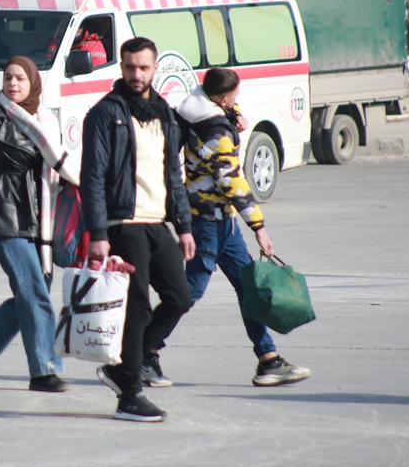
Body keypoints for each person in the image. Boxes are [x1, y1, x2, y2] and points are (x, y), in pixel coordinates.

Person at [172, 68, 312, 387]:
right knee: (187, 292)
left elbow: (221, 108)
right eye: (235, 97)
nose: (238, 100)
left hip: (221, 221)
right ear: (222, 98)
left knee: (249, 288)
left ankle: (269, 359)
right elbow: (231, 181)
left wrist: (234, 114)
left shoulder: (198, 110)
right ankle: (142, 352)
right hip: (209, 221)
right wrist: (259, 227)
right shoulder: (216, 131)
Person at [0, 57, 80, 392]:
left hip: (43, 219)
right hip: (4, 212)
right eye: (8, 78)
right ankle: (44, 370)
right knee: (34, 290)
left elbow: (59, 165)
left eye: (20, 78)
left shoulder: (45, 120)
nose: (13, 84)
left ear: (33, 82)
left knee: (32, 292)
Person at [82, 37, 195, 423]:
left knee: (180, 297)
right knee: (137, 306)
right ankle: (129, 392)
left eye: (143, 67)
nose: (136, 74)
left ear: (155, 67)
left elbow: (173, 175)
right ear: (121, 66)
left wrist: (184, 226)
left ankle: (122, 365)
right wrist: (98, 233)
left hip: (157, 222)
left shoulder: (164, 113)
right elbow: (92, 177)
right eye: (130, 67)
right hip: (122, 224)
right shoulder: (106, 112)